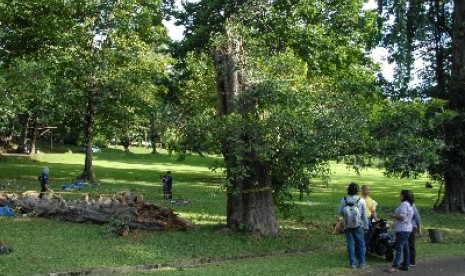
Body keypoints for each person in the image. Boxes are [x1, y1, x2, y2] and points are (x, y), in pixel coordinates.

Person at [338, 183, 369, 269]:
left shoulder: (344, 200)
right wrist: (366, 227)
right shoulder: (361, 200)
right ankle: (362, 263)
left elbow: (340, 212)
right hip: (359, 226)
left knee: (351, 245)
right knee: (361, 244)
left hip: (347, 226)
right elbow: (364, 215)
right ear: (357, 190)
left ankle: (353, 264)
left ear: (348, 190)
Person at [388, 190, 414, 273]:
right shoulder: (410, 205)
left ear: (403, 196)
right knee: (405, 247)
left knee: (399, 248)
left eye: (401, 195)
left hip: (402, 229)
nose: (399, 196)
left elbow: (402, 217)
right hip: (407, 229)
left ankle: (395, 266)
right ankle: (406, 264)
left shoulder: (403, 204)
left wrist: (393, 215)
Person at [361, 185, 378, 255]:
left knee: (368, 234)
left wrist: (376, 219)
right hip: (359, 219)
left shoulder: (371, 200)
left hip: (368, 219)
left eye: (369, 190)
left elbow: (373, 212)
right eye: (366, 190)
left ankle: (365, 249)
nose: (368, 191)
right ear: (362, 190)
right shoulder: (358, 198)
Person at [408, 193, 422, 267]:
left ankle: (411, 261)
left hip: (411, 227)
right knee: (409, 244)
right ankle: (409, 261)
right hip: (410, 227)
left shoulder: (412, 206)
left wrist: (419, 229)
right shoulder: (409, 205)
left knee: (410, 244)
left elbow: (417, 218)